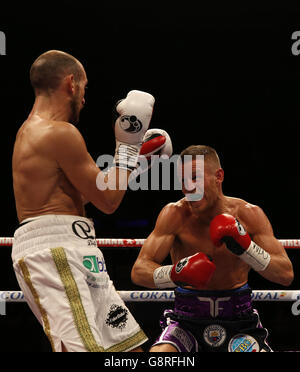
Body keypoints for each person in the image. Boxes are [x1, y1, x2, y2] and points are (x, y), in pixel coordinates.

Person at [11, 50, 166, 352]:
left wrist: (136, 164)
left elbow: (87, 195)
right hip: (55, 252)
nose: (84, 97)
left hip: (78, 247)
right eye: (84, 86)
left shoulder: (36, 132)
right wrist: (128, 149)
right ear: (71, 83)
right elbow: (109, 201)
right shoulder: (58, 133)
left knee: (126, 349)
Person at [131, 145, 294, 352]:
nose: (187, 187)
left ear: (219, 176)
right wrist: (175, 273)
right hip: (186, 322)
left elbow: (286, 274)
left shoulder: (249, 215)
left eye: (195, 178)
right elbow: (139, 271)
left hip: (239, 321)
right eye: (182, 180)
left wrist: (247, 249)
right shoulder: (175, 215)